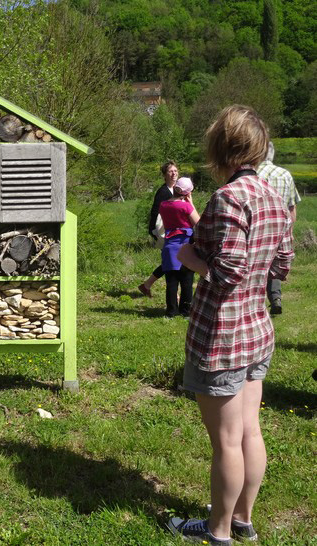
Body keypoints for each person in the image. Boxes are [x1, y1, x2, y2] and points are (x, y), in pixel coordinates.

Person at [166, 105, 294, 544]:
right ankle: (242, 519)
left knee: (226, 441)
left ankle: (219, 531)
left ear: (222, 148)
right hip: (258, 330)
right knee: (249, 431)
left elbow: (226, 272)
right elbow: (282, 265)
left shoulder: (226, 198)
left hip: (221, 336)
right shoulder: (276, 198)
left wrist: (188, 258)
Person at [257, 141, 301, 315]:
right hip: (280, 228)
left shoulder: (253, 174)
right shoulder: (285, 174)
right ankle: (275, 297)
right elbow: (292, 207)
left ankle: (257, 303)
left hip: (259, 227)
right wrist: (289, 231)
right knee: (275, 266)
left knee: (258, 265)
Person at [159, 177, 199, 317]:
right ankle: (186, 311)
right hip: (185, 246)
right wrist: (191, 204)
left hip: (169, 246)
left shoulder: (163, 205)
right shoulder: (186, 206)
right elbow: (198, 224)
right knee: (187, 281)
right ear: (187, 193)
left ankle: (171, 311)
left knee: (171, 282)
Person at [138, 161, 178, 298]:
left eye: (175, 171)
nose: (174, 174)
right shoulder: (163, 192)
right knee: (172, 262)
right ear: (164, 175)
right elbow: (155, 212)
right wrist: (155, 232)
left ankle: (147, 285)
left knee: (170, 261)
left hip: (174, 232)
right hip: (164, 232)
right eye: (170, 171)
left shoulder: (176, 190)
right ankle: (173, 294)